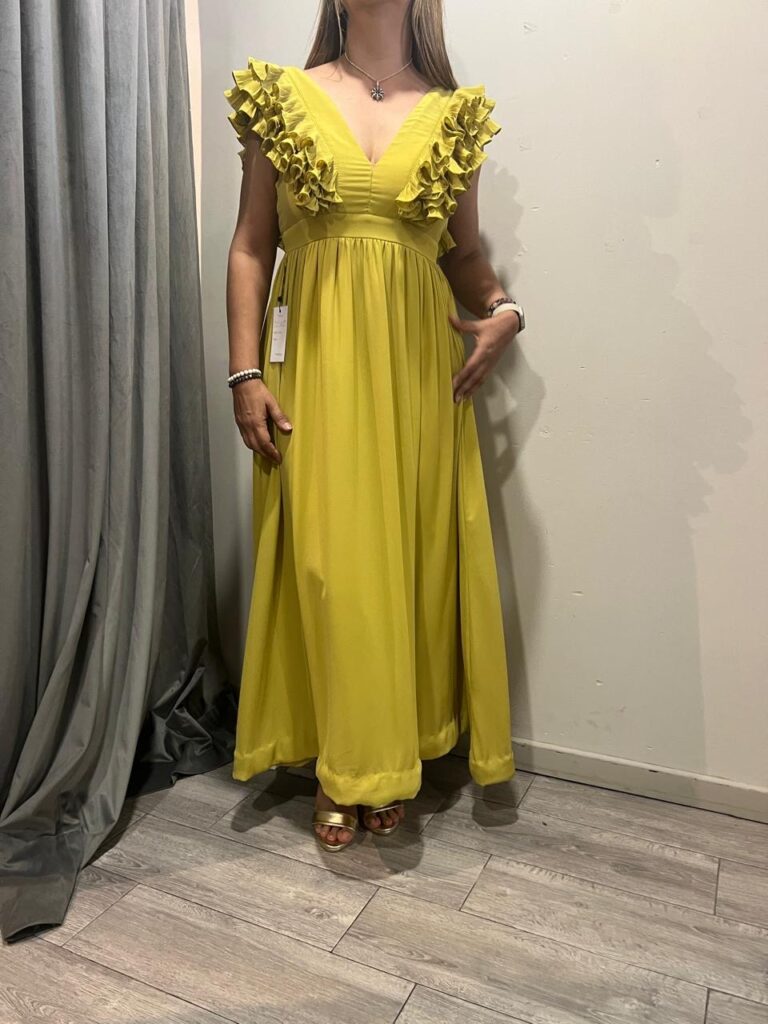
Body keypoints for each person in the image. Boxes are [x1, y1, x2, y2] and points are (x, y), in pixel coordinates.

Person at [224, 0, 523, 852]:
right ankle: (343, 761)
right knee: (330, 561)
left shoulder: (453, 115)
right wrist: (244, 372)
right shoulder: (281, 97)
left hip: (416, 372)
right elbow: (252, 246)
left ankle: (386, 756)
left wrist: (504, 310)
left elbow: (463, 254)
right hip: (313, 366)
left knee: (409, 561)